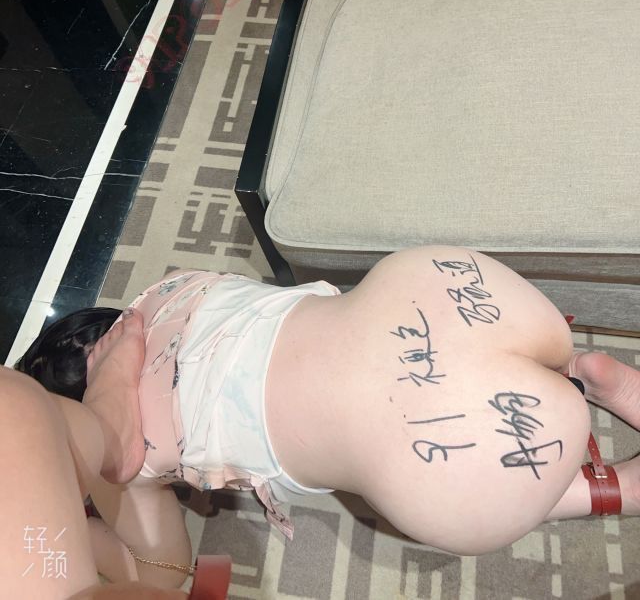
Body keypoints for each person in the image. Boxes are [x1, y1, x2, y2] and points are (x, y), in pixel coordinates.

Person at [7, 245, 640, 596]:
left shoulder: (122, 465)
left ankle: (607, 489)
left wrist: (83, 528)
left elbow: (166, 572)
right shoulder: (173, 287)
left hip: (467, 446)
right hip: (452, 291)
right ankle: (585, 373)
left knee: (432, 488)